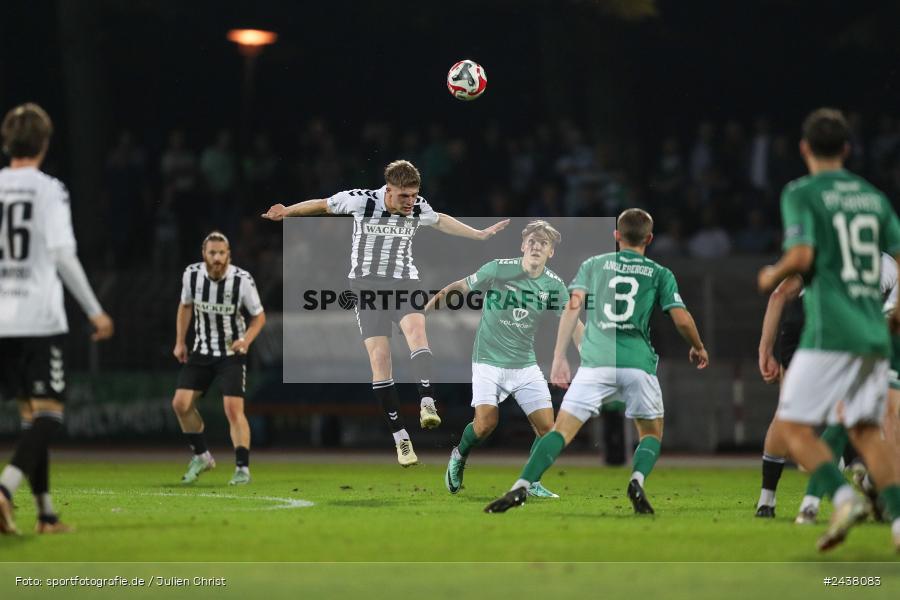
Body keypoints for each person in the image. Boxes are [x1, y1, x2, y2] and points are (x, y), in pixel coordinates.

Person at [262, 160, 509, 466]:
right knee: (380, 361)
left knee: (417, 332)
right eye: (404, 196)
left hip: (405, 282)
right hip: (366, 288)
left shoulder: (418, 207)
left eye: (414, 195)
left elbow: (440, 219)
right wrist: (287, 210)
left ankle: (427, 402)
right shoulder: (361, 200)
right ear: (388, 190)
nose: (410, 202)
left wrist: (479, 235)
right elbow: (323, 205)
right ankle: (401, 439)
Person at [484, 208, 709, 514]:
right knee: (652, 433)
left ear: (616, 235)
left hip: (596, 362)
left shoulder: (594, 265)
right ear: (650, 238)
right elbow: (681, 319)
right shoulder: (659, 273)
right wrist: (697, 346)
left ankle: (521, 486)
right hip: (637, 362)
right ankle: (638, 479)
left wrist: (560, 355)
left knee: (560, 432)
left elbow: (572, 308)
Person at [757, 107, 900, 552]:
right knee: (863, 430)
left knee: (794, 427)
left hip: (829, 333)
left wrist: (769, 275)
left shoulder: (801, 192)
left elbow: (799, 256)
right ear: (847, 149)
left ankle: (842, 498)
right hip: (874, 335)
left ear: (804, 149)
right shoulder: (875, 199)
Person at [0, 103, 114, 534]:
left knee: (31, 418)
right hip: (37, 316)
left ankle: (46, 514)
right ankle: (5, 490)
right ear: (45, 143)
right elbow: (63, 254)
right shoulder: (49, 190)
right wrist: (95, 309)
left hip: (2, 316)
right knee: (51, 415)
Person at [425, 220, 584, 497]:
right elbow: (460, 287)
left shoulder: (554, 285)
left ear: (551, 252)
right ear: (523, 245)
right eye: (532, 241)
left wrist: (589, 356)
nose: (536, 246)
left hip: (524, 365)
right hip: (488, 360)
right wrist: (425, 310)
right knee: (485, 425)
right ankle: (459, 455)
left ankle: (531, 482)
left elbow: (573, 324)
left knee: (550, 432)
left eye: (543, 243)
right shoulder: (498, 268)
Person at [755, 254, 899, 524]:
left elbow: (778, 294)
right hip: (850, 328)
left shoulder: (822, 249)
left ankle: (766, 500)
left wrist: (765, 349)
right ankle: (850, 485)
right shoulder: (888, 264)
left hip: (802, 320)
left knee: (787, 417)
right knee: (853, 415)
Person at [172, 231, 266, 485]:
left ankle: (242, 469)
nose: (216, 258)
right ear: (204, 254)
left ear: (228, 255)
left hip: (231, 353)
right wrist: (180, 342)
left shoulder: (242, 280)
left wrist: (245, 340)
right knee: (180, 404)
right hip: (202, 350)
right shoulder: (191, 275)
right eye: (212, 253)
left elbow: (259, 316)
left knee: (233, 409)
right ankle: (202, 456)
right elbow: (185, 305)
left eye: (221, 253)